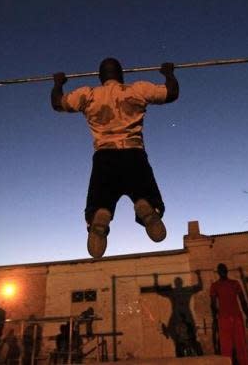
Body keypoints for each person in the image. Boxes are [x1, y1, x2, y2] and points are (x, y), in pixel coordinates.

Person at [51, 57, 179, 258]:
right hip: (134, 155)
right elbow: (171, 93)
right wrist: (168, 73)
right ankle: (147, 205)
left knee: (99, 201)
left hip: (105, 158)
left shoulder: (88, 94)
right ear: (122, 75)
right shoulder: (137, 90)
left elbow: (57, 104)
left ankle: (99, 215)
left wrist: (58, 83)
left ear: (100, 77)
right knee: (147, 195)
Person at [210, 263, 248, 365]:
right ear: (218, 272)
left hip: (236, 317)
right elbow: (212, 304)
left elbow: (243, 301)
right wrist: (215, 319)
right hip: (224, 319)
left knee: (241, 344)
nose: (223, 272)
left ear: (227, 271)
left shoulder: (235, 283)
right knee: (226, 346)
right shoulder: (214, 286)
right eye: (221, 270)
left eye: (224, 269)